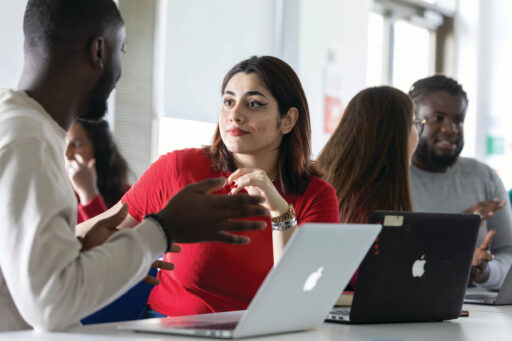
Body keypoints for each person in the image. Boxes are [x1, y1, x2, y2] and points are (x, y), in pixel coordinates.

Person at [0, 0, 268, 332]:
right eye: (122, 51)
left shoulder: (16, 125)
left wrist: (79, 248)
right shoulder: (29, 141)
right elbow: (51, 304)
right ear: (99, 51)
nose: (120, 72)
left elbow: (19, 277)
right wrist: (162, 229)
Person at [81, 56, 340, 318]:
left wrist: (280, 213)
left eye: (253, 104)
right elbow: (97, 230)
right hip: (171, 330)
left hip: (263, 334)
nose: (234, 115)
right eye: (228, 102)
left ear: (288, 120)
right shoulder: (179, 168)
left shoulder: (317, 196)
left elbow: (296, 299)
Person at [408, 75, 512, 289]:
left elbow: (508, 253)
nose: (450, 129)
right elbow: (389, 257)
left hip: (475, 312)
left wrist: (485, 272)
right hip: (406, 304)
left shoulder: (484, 176)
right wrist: (459, 227)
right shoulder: (392, 177)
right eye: (437, 118)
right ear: (413, 121)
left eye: (458, 120)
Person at [316, 86, 420, 290]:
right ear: (394, 135)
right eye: (415, 123)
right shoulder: (364, 202)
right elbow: (368, 280)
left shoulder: (340, 188)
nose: (417, 134)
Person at [65, 118, 130, 223]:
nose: (67, 154)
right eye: (65, 144)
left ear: (99, 149)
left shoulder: (126, 197)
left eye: (77, 144)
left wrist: (88, 193)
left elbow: (111, 239)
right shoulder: (61, 190)